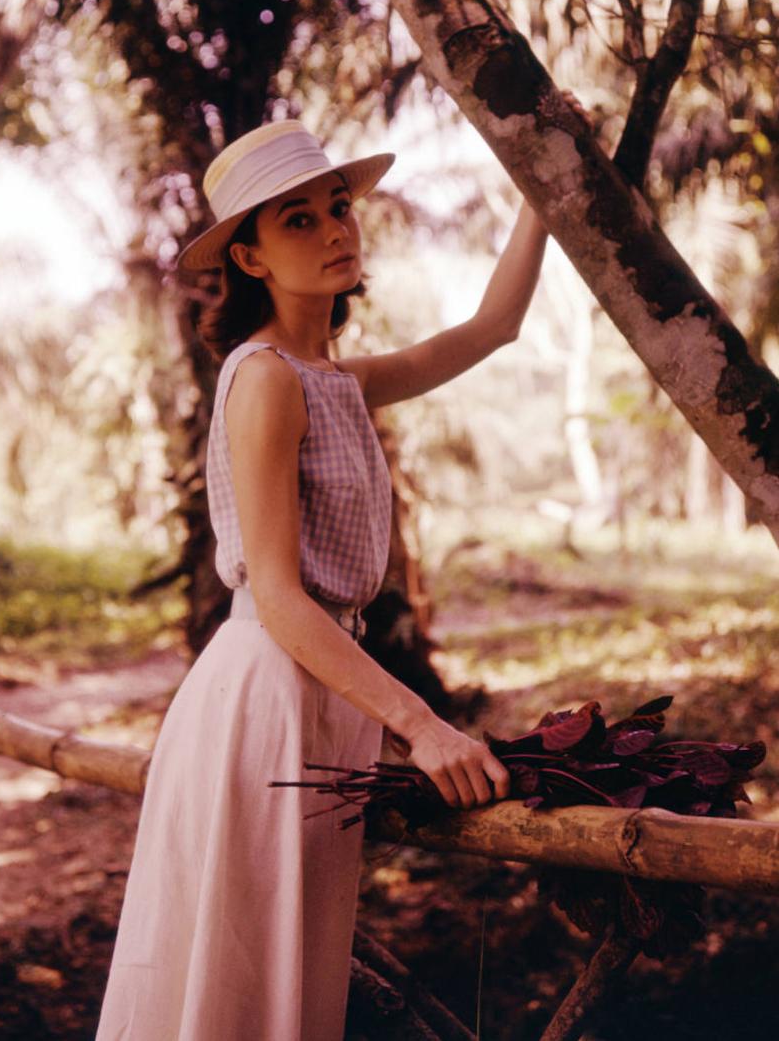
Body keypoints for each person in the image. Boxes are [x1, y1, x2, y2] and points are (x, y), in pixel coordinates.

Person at [96, 118, 548, 1041]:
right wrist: (422, 726)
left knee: (285, 986)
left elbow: (494, 328)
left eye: (339, 207)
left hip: (317, 687)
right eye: (297, 220)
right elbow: (275, 597)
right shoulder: (263, 380)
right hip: (267, 690)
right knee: (238, 986)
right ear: (252, 259)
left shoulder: (331, 377)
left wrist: (551, 192)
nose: (336, 228)